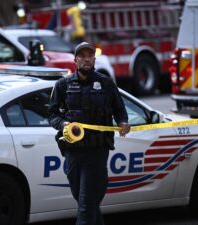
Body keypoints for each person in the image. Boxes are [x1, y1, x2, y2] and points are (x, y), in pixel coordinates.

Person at [48, 42, 130, 225]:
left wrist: (123, 122)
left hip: (97, 151)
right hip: (73, 151)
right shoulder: (63, 85)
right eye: (82, 55)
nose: (86, 58)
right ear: (75, 60)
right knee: (85, 200)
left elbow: (120, 109)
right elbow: (52, 115)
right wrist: (64, 124)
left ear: (94, 58)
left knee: (86, 204)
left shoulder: (106, 83)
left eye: (90, 55)